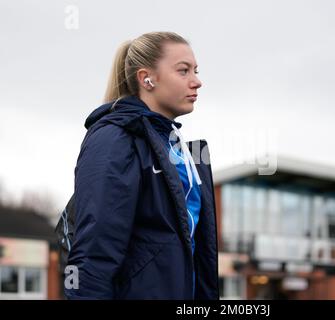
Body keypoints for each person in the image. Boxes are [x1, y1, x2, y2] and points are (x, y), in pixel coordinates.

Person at [64, 32, 219, 300]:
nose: (197, 81)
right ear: (146, 78)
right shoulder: (114, 139)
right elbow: (92, 254)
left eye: (195, 70)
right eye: (183, 71)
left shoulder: (180, 151)